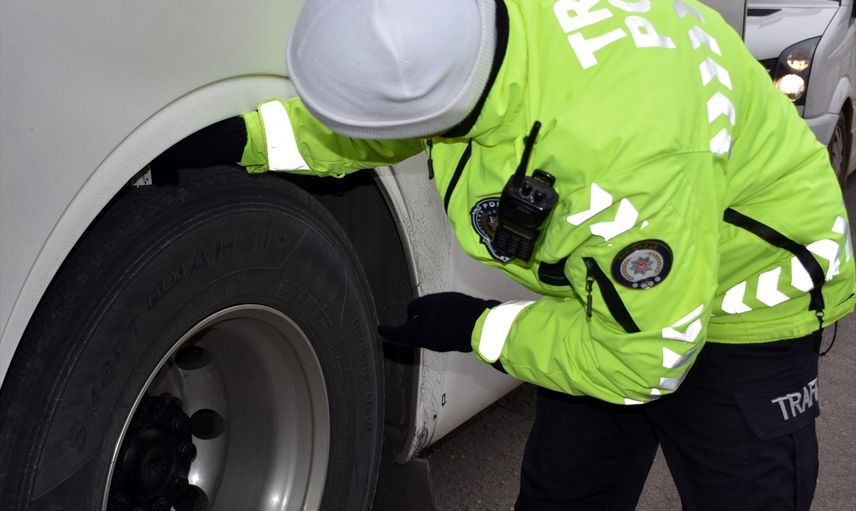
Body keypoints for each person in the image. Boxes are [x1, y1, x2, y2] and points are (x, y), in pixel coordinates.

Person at [155, 0, 855, 508]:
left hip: (749, 301)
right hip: (615, 290)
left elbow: (642, 360)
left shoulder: (627, 157)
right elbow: (382, 110)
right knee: (564, 493)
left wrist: (479, 328)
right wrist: (243, 140)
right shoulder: (471, 34)